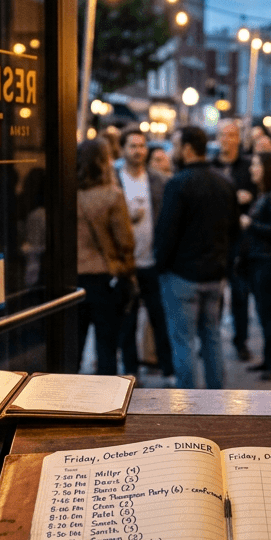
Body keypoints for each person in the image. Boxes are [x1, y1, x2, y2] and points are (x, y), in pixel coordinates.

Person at [156, 126, 240, 389]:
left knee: (184, 341)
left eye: (176, 145)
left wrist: (160, 266)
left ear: (188, 148)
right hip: (214, 274)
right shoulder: (224, 182)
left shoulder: (178, 183)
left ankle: (189, 400)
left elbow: (167, 232)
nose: (173, 151)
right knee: (211, 337)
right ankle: (216, 395)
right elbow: (234, 231)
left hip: (183, 275)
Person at [116, 129, 173, 383]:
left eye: (142, 146)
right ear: (123, 150)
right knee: (127, 322)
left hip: (153, 261)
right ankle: (131, 371)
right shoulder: (114, 179)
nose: (138, 151)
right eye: (132, 146)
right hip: (126, 263)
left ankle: (168, 368)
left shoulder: (158, 179)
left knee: (159, 318)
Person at [75, 138, 136, 376]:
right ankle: (105, 406)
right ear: (103, 162)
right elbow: (126, 242)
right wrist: (128, 271)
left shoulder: (68, 195)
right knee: (106, 347)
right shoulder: (112, 196)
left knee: (74, 348)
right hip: (104, 278)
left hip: (73, 279)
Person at [242, 151, 271, 381]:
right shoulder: (265, 194)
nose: (252, 169)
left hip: (268, 260)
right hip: (260, 259)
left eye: (256, 165)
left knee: (268, 312)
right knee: (263, 312)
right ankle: (269, 359)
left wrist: (251, 223)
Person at [213, 119, 256, 361]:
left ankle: (241, 341)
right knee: (214, 298)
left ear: (238, 138)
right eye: (222, 135)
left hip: (241, 242)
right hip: (217, 241)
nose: (226, 140)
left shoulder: (248, 167)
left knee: (240, 295)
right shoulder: (212, 167)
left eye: (231, 135)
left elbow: (258, 198)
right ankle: (212, 342)